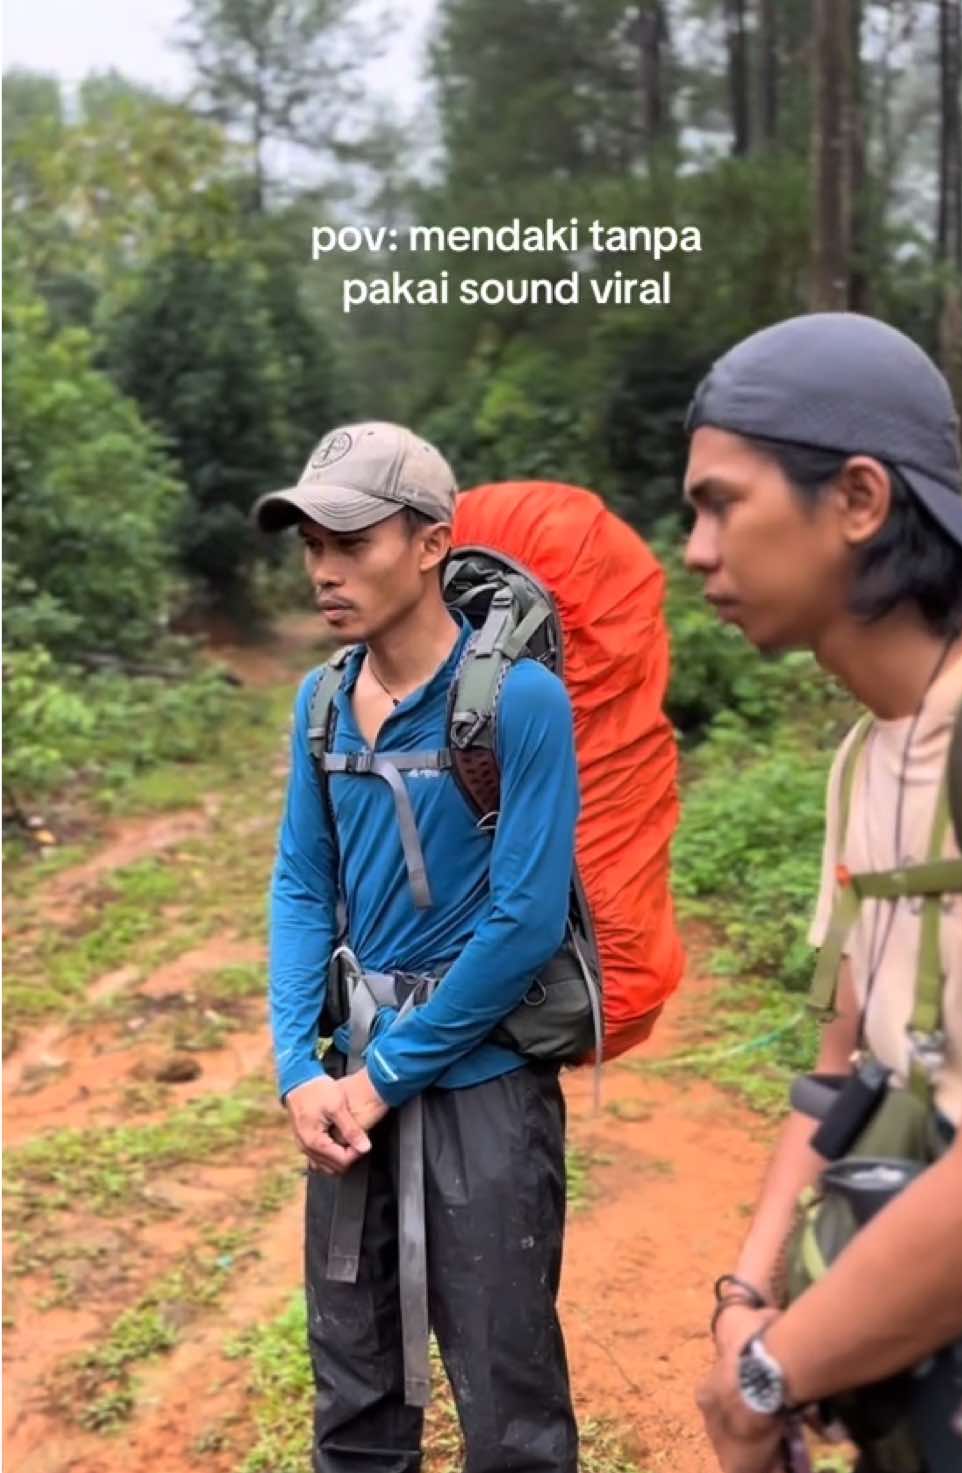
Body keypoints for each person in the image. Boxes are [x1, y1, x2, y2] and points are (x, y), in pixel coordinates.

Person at [680, 314, 962, 1473]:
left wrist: (769, 1376)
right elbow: (836, 1067)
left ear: (860, 500)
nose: (695, 550)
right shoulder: (862, 763)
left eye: (723, 504)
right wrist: (746, 1294)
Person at [254, 422, 581, 1473]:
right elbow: (304, 885)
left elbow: (524, 923)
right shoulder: (321, 706)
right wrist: (303, 1069)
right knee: (351, 1390)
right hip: (350, 1090)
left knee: (509, 1400)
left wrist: (386, 1074)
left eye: (353, 541)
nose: (325, 570)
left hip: (480, 1085)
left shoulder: (520, 704)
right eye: (312, 545)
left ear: (433, 541)